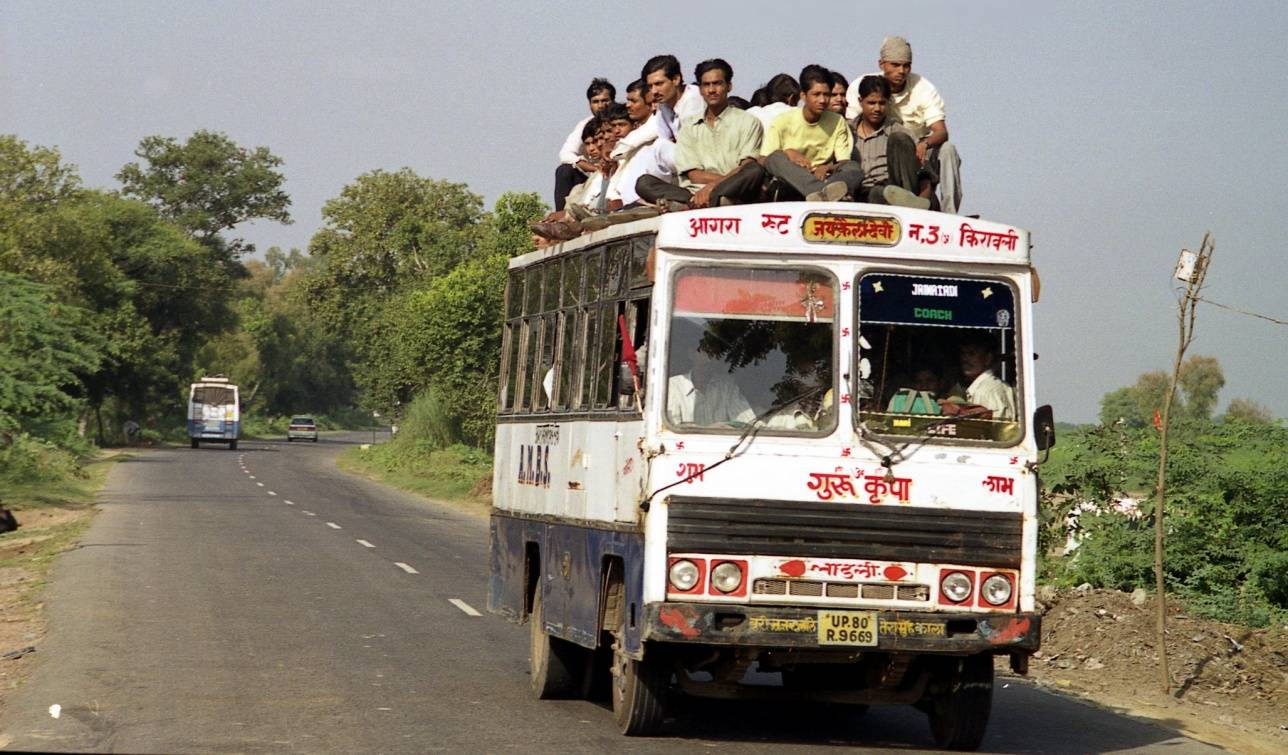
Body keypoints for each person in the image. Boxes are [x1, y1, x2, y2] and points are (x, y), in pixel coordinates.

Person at [846, 36, 963, 213]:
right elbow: (851, 127)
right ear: (881, 64)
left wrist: (923, 144)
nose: (901, 71)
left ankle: (949, 214)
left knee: (947, 150)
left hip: (919, 149)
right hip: (880, 155)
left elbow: (941, 132)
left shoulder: (923, 88)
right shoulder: (864, 85)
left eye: (906, 65)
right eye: (895, 65)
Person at [636, 58, 765, 209]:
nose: (711, 90)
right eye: (706, 85)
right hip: (695, 192)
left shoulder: (748, 121)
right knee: (644, 183)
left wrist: (713, 187)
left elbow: (747, 166)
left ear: (729, 86)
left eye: (717, 83)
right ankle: (705, 202)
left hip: (732, 189)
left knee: (754, 170)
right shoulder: (689, 127)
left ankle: (696, 204)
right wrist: (706, 191)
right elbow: (693, 175)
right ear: (700, 89)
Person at [761, 64, 864, 202]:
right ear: (803, 95)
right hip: (792, 184)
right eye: (816, 94)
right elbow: (763, 160)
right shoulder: (782, 121)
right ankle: (821, 192)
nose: (822, 100)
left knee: (853, 168)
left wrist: (826, 167)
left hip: (826, 178)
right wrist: (789, 153)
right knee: (775, 157)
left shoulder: (838, 121)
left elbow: (843, 161)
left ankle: (823, 194)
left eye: (826, 94)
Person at [851, 75, 935, 209]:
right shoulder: (847, 131)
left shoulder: (899, 131)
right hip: (858, 194)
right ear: (861, 102)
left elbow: (925, 175)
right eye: (871, 103)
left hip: (893, 189)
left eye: (882, 103)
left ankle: (908, 202)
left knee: (899, 140)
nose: (877, 109)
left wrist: (922, 204)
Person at [667, 328, 755, 427]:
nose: (708, 358)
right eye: (704, 352)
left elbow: (746, 422)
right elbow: (672, 428)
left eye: (713, 353)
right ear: (691, 354)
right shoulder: (674, 386)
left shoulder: (726, 386)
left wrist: (726, 427)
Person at [554, 78, 615, 211]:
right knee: (564, 171)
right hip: (593, 175)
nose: (601, 106)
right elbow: (565, 154)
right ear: (589, 104)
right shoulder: (585, 125)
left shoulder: (621, 121)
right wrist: (594, 168)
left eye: (605, 101)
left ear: (613, 101)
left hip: (616, 170)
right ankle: (560, 217)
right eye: (596, 102)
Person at [938, 335, 1016, 420]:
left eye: (971, 354)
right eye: (962, 354)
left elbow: (996, 429)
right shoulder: (983, 387)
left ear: (987, 358)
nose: (965, 359)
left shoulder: (988, 390)